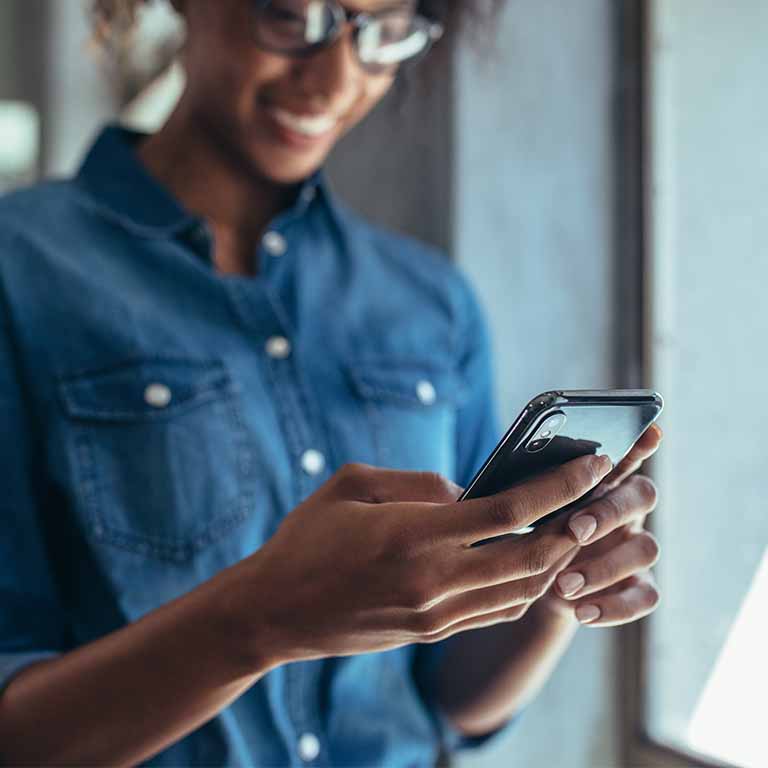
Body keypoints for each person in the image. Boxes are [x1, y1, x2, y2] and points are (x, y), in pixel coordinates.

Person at [0, 1, 663, 765]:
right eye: (290, 16)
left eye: (383, 34)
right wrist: (262, 618)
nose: (335, 80)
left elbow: (446, 700)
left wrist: (547, 587)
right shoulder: (22, 274)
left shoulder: (431, 302)